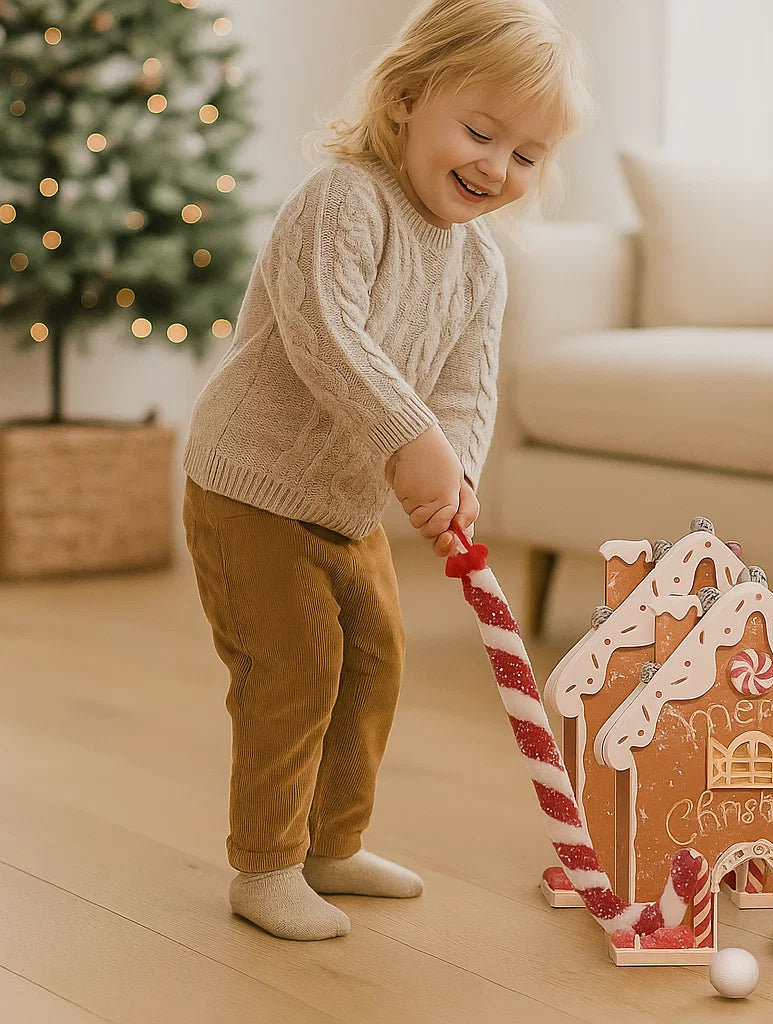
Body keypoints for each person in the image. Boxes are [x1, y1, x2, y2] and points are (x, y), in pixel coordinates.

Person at [181, 0, 591, 940]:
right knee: (294, 669)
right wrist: (409, 438)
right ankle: (267, 864)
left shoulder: (480, 264)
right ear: (407, 100)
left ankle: (331, 842)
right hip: (249, 484)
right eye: (480, 132)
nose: (497, 166)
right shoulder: (342, 201)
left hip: (344, 501)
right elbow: (330, 336)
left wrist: (459, 471)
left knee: (372, 663)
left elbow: (465, 388)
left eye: (526, 156)